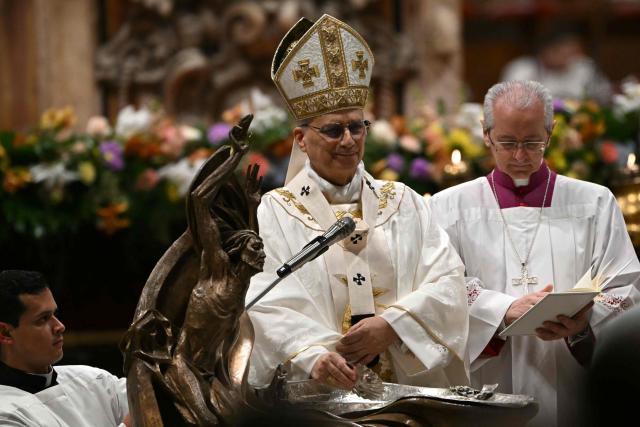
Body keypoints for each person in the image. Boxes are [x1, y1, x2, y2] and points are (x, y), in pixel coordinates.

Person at [246, 14, 469, 391]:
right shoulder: (275, 211)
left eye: (357, 126)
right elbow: (262, 296)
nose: (348, 140)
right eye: (333, 130)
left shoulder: (403, 202)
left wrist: (394, 325)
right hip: (317, 393)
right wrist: (311, 353)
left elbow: (448, 280)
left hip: (405, 389)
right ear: (301, 139)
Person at [428, 80, 640, 426]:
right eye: (507, 143)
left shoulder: (594, 202)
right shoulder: (449, 207)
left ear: (551, 133)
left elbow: (624, 286)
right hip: (486, 384)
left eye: (532, 143)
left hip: (571, 380)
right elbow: (436, 289)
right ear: (486, 133)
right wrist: (501, 311)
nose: (520, 156)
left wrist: (583, 322)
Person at [0, 270, 130, 427]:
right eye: (43, 319)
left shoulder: (95, 381)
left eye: (54, 314)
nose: (59, 326)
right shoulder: (5, 415)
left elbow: (152, 396)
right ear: (5, 333)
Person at [501, 28, 611, 103]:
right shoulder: (521, 69)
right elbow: (508, 104)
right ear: (547, 50)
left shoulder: (583, 67)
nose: (572, 57)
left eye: (575, 52)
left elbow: (605, 95)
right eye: (563, 52)